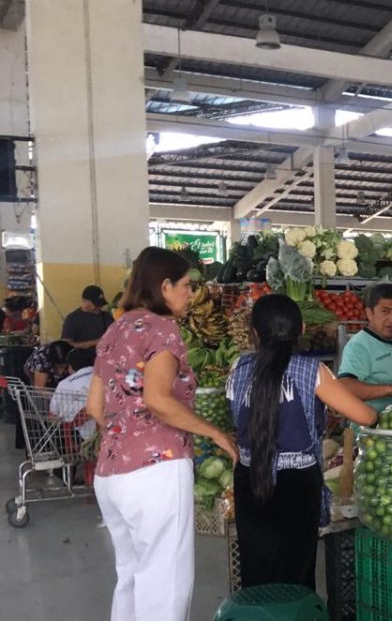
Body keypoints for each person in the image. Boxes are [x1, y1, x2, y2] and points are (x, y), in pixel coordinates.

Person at [84, 246, 237, 621]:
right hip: (157, 472)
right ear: (164, 286)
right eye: (185, 285)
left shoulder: (114, 328)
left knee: (132, 577)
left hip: (111, 473)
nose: (190, 293)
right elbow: (158, 399)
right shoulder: (163, 329)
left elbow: (94, 407)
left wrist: (127, 438)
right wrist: (216, 434)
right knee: (165, 583)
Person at [228, 294, 378, 589]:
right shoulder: (313, 372)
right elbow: (365, 416)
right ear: (303, 328)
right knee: (296, 571)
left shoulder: (238, 369)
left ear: (254, 332)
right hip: (296, 484)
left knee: (256, 567)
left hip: (249, 478)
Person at [336, 283, 392, 412]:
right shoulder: (359, 345)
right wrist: (391, 389)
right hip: (372, 427)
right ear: (369, 313)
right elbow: (345, 386)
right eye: (385, 311)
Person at [51, 348, 96, 443]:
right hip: (109, 429)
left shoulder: (64, 384)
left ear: (70, 366)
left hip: (79, 435)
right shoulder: (106, 376)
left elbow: (53, 415)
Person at [62, 285, 114, 350]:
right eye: (96, 304)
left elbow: (115, 336)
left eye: (101, 304)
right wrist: (94, 342)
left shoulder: (106, 316)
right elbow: (65, 345)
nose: (99, 307)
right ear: (84, 301)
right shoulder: (72, 319)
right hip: (82, 357)